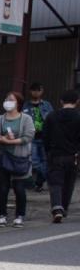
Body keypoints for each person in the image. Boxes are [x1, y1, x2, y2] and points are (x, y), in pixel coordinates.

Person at [0, 91, 35, 227]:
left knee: (19, 188)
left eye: (11, 99)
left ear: (18, 103)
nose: (7, 102)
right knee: (3, 188)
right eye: (6, 99)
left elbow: (28, 136)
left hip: (20, 158)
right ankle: (1, 215)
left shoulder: (26, 119)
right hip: (2, 157)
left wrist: (11, 141)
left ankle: (19, 215)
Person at [44, 89, 80, 222]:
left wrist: (47, 150)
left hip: (55, 154)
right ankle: (64, 207)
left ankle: (57, 208)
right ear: (77, 101)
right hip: (73, 155)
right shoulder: (78, 116)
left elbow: (45, 136)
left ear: (61, 101)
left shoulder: (52, 116)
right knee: (69, 183)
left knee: (55, 183)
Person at [26, 82, 54, 192]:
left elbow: (52, 119)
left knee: (45, 161)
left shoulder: (47, 105)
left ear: (42, 91)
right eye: (34, 90)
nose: (36, 92)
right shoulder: (25, 105)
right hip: (31, 137)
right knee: (34, 161)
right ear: (30, 91)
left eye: (39, 90)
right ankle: (48, 178)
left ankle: (39, 184)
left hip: (45, 137)